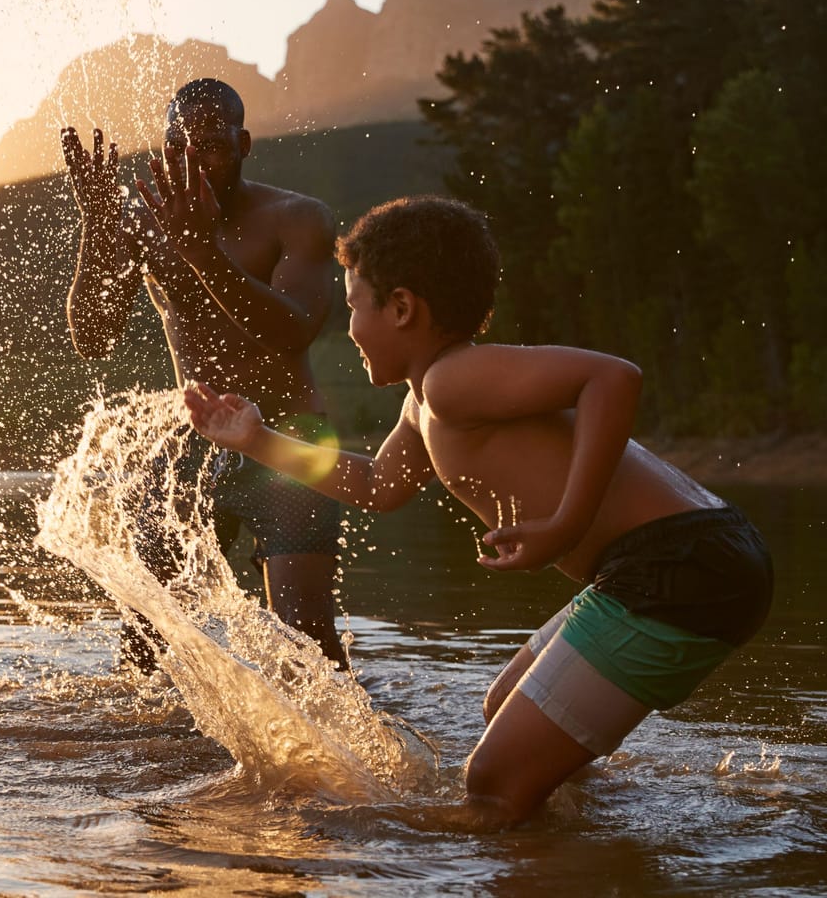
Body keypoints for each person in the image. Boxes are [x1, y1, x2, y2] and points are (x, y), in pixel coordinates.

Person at [181, 194, 774, 827]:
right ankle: (590, 839)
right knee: (503, 709)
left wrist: (567, 524)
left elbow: (613, 378)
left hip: (678, 566)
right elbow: (380, 485)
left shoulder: (454, 379)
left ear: (403, 308)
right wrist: (255, 438)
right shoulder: (424, 404)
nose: (348, 328)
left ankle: (504, 835)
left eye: (355, 306)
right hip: (683, 561)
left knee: (490, 784)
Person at [61, 78, 347, 669]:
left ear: (244, 144)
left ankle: (347, 761)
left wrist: (201, 251)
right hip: (190, 443)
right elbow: (92, 340)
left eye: (213, 145)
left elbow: (293, 329)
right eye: (179, 144)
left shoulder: (297, 218)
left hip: (291, 438)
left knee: (309, 650)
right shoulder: (147, 224)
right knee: (143, 650)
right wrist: (100, 221)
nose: (193, 159)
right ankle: (161, 759)